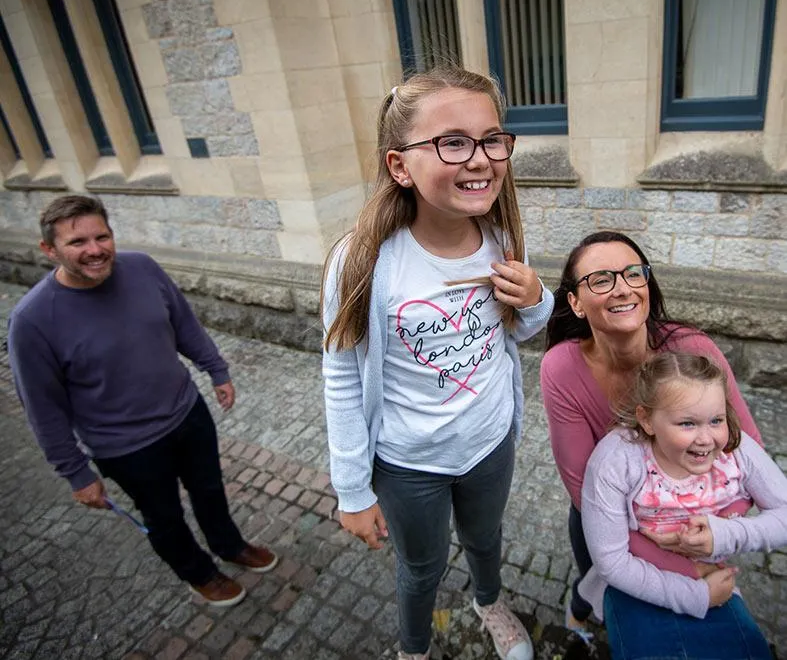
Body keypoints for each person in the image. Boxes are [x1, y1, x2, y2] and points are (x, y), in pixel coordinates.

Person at [321, 66, 554, 660]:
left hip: (489, 444)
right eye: (453, 142)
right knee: (420, 567)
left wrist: (537, 299)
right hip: (408, 464)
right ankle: (414, 647)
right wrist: (352, 489)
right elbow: (343, 377)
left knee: (484, 539)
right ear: (400, 165)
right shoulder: (363, 263)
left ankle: (489, 600)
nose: (480, 159)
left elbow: (518, 331)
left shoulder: (500, 239)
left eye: (492, 139)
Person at [8, 195, 278, 607]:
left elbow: (183, 322)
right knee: (165, 517)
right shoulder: (31, 321)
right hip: (126, 447)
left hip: (188, 413)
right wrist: (77, 473)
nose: (95, 249)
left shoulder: (142, 268)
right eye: (78, 242)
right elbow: (42, 408)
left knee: (209, 490)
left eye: (102, 236)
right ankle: (199, 573)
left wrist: (215, 369)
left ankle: (229, 545)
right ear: (50, 250)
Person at [539, 231, 762, 637]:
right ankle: (580, 615)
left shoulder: (693, 348)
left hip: (695, 514)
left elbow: (748, 449)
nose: (622, 288)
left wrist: (716, 533)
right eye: (601, 279)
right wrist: (689, 572)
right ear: (575, 302)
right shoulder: (561, 368)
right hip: (606, 518)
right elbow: (583, 493)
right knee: (595, 585)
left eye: (633, 274)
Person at [580, 351, 786, 659]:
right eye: (687, 423)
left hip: (712, 576)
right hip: (641, 580)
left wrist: (724, 535)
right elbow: (611, 562)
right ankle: (578, 613)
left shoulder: (737, 452)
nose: (707, 439)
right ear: (647, 419)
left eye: (716, 420)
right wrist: (697, 596)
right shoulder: (617, 460)